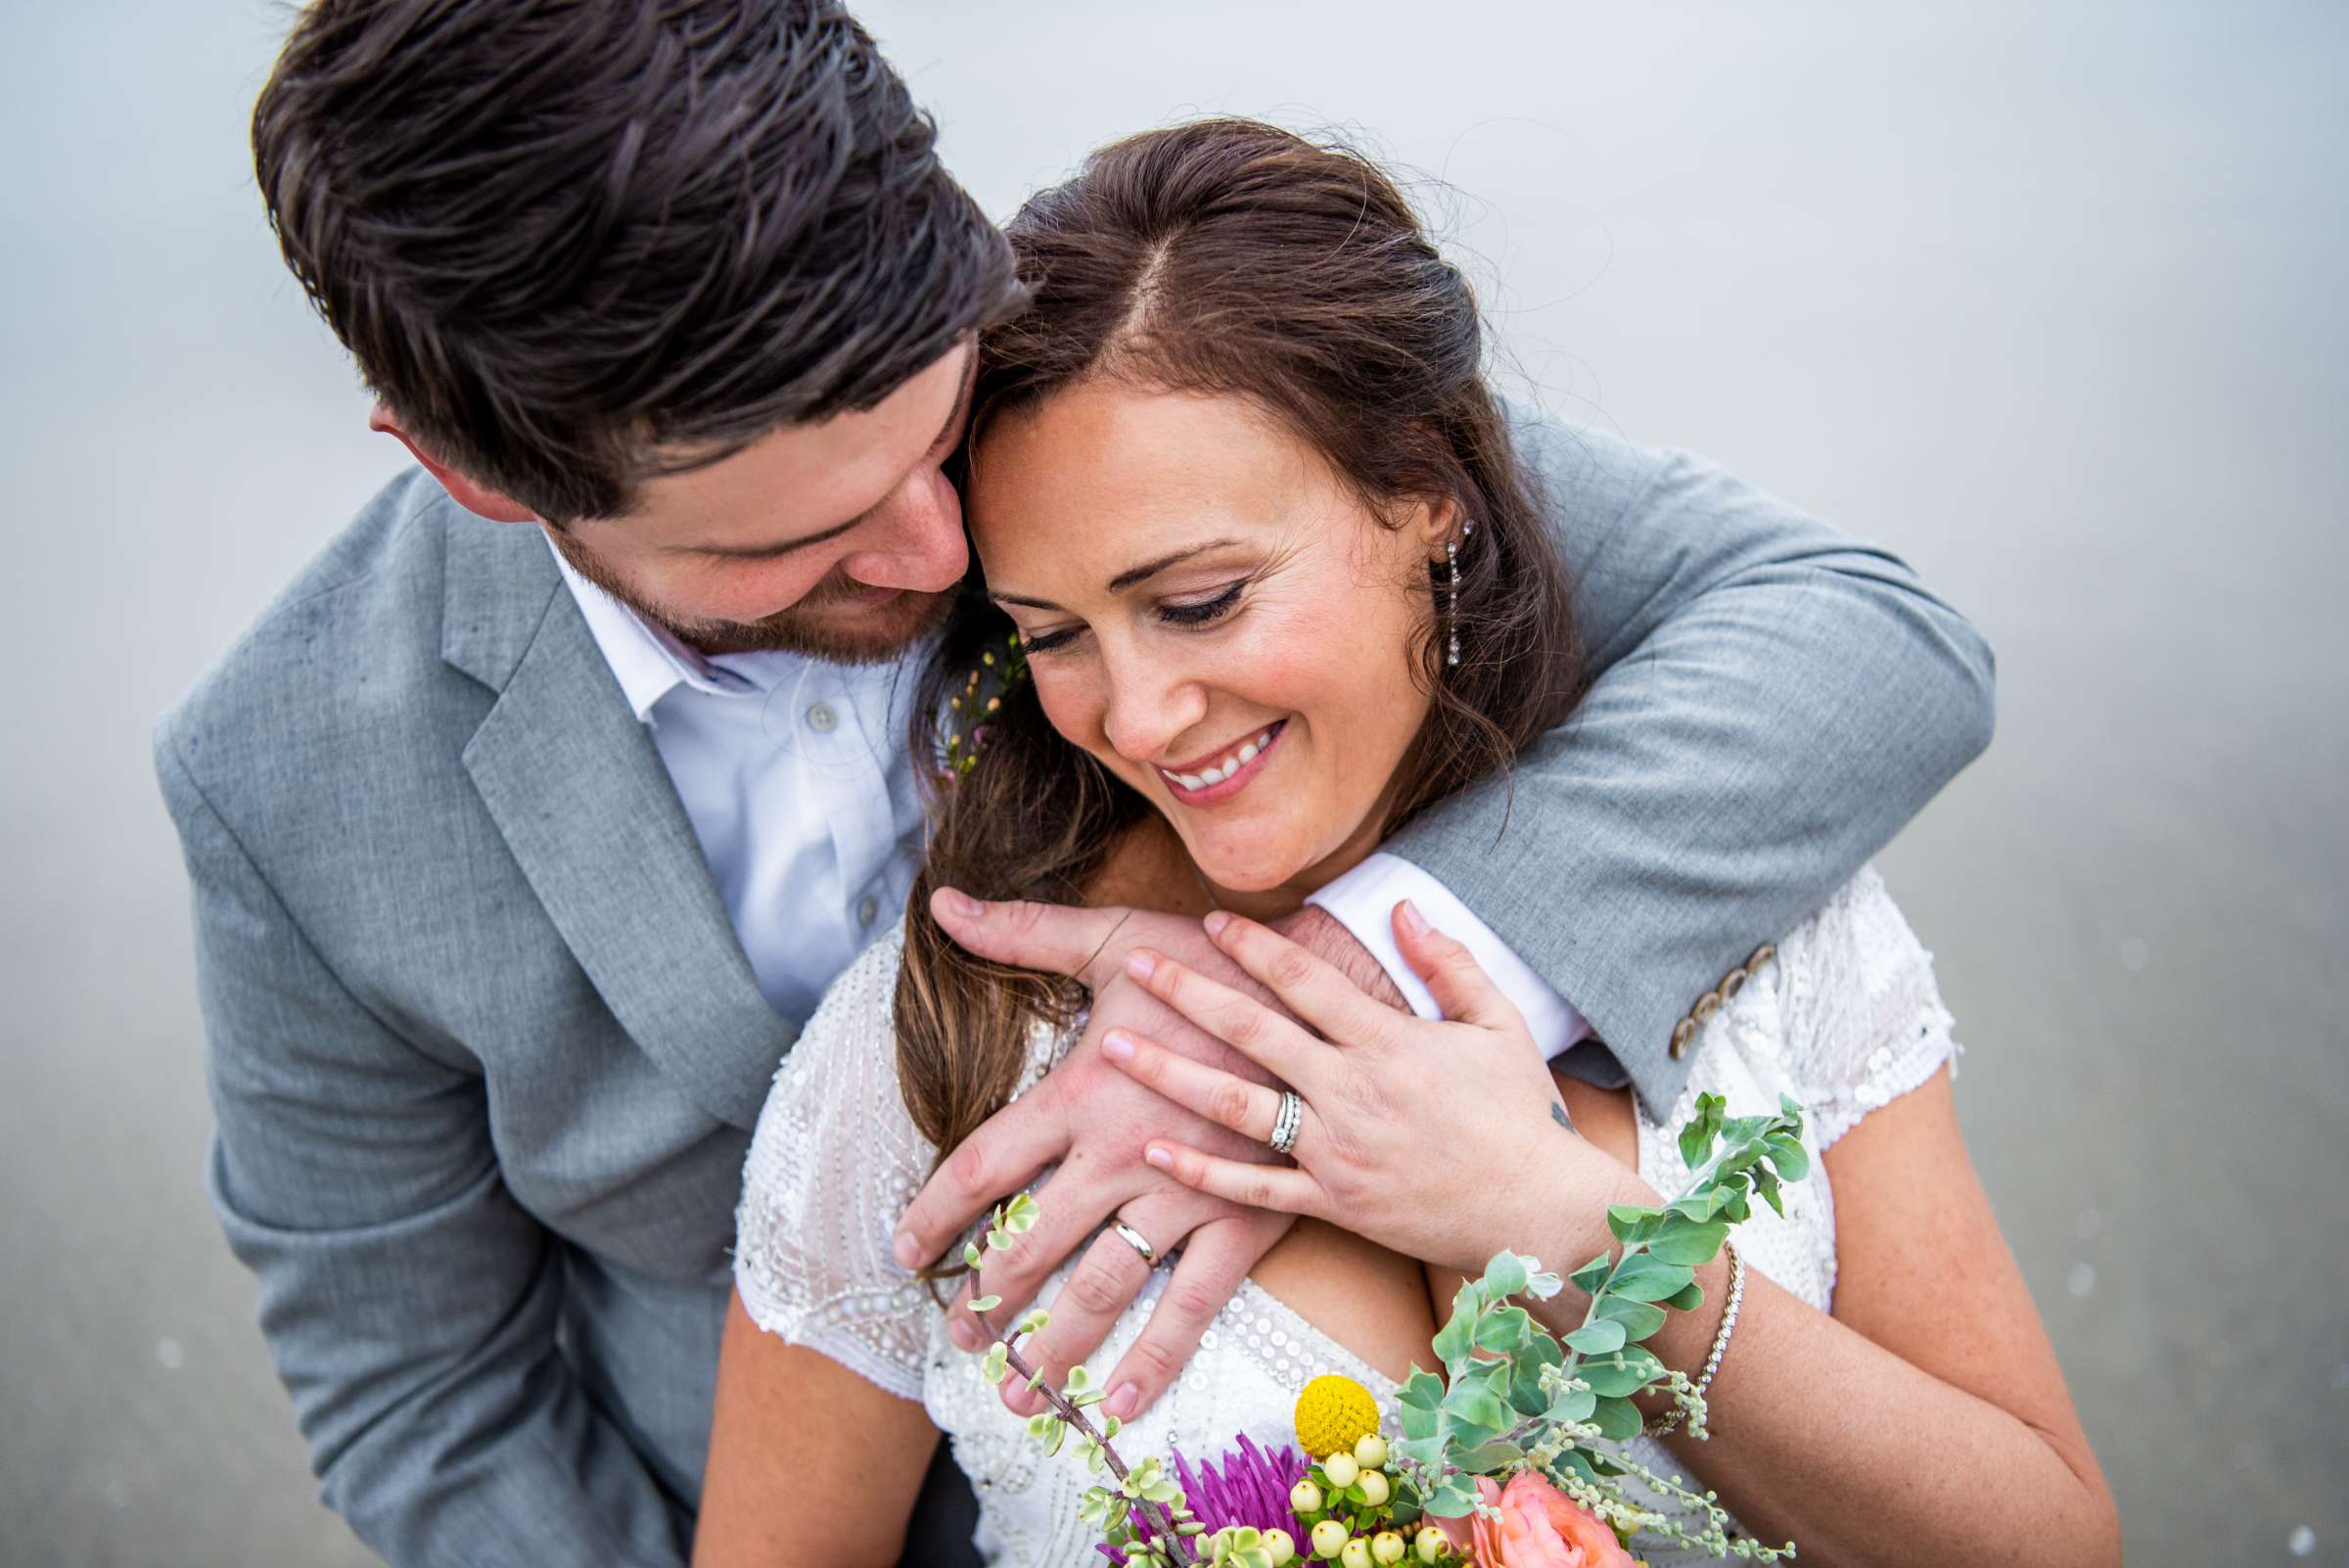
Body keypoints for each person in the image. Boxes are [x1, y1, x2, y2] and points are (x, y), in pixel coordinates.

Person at [156, 7, 1991, 1568]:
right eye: (805, 533)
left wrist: (1339, 981)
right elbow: (425, 1394)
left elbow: (1855, 631)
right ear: (486, 477)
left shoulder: (1106, 377)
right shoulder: (287, 784)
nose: (945, 542)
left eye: (931, 419)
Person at [702, 119, 2114, 1567]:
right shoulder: (940, 1044)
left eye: (1199, 600)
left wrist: (1575, 1231)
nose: (1137, 713)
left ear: (1430, 491)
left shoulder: (1757, 894)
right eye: (1051, 634)